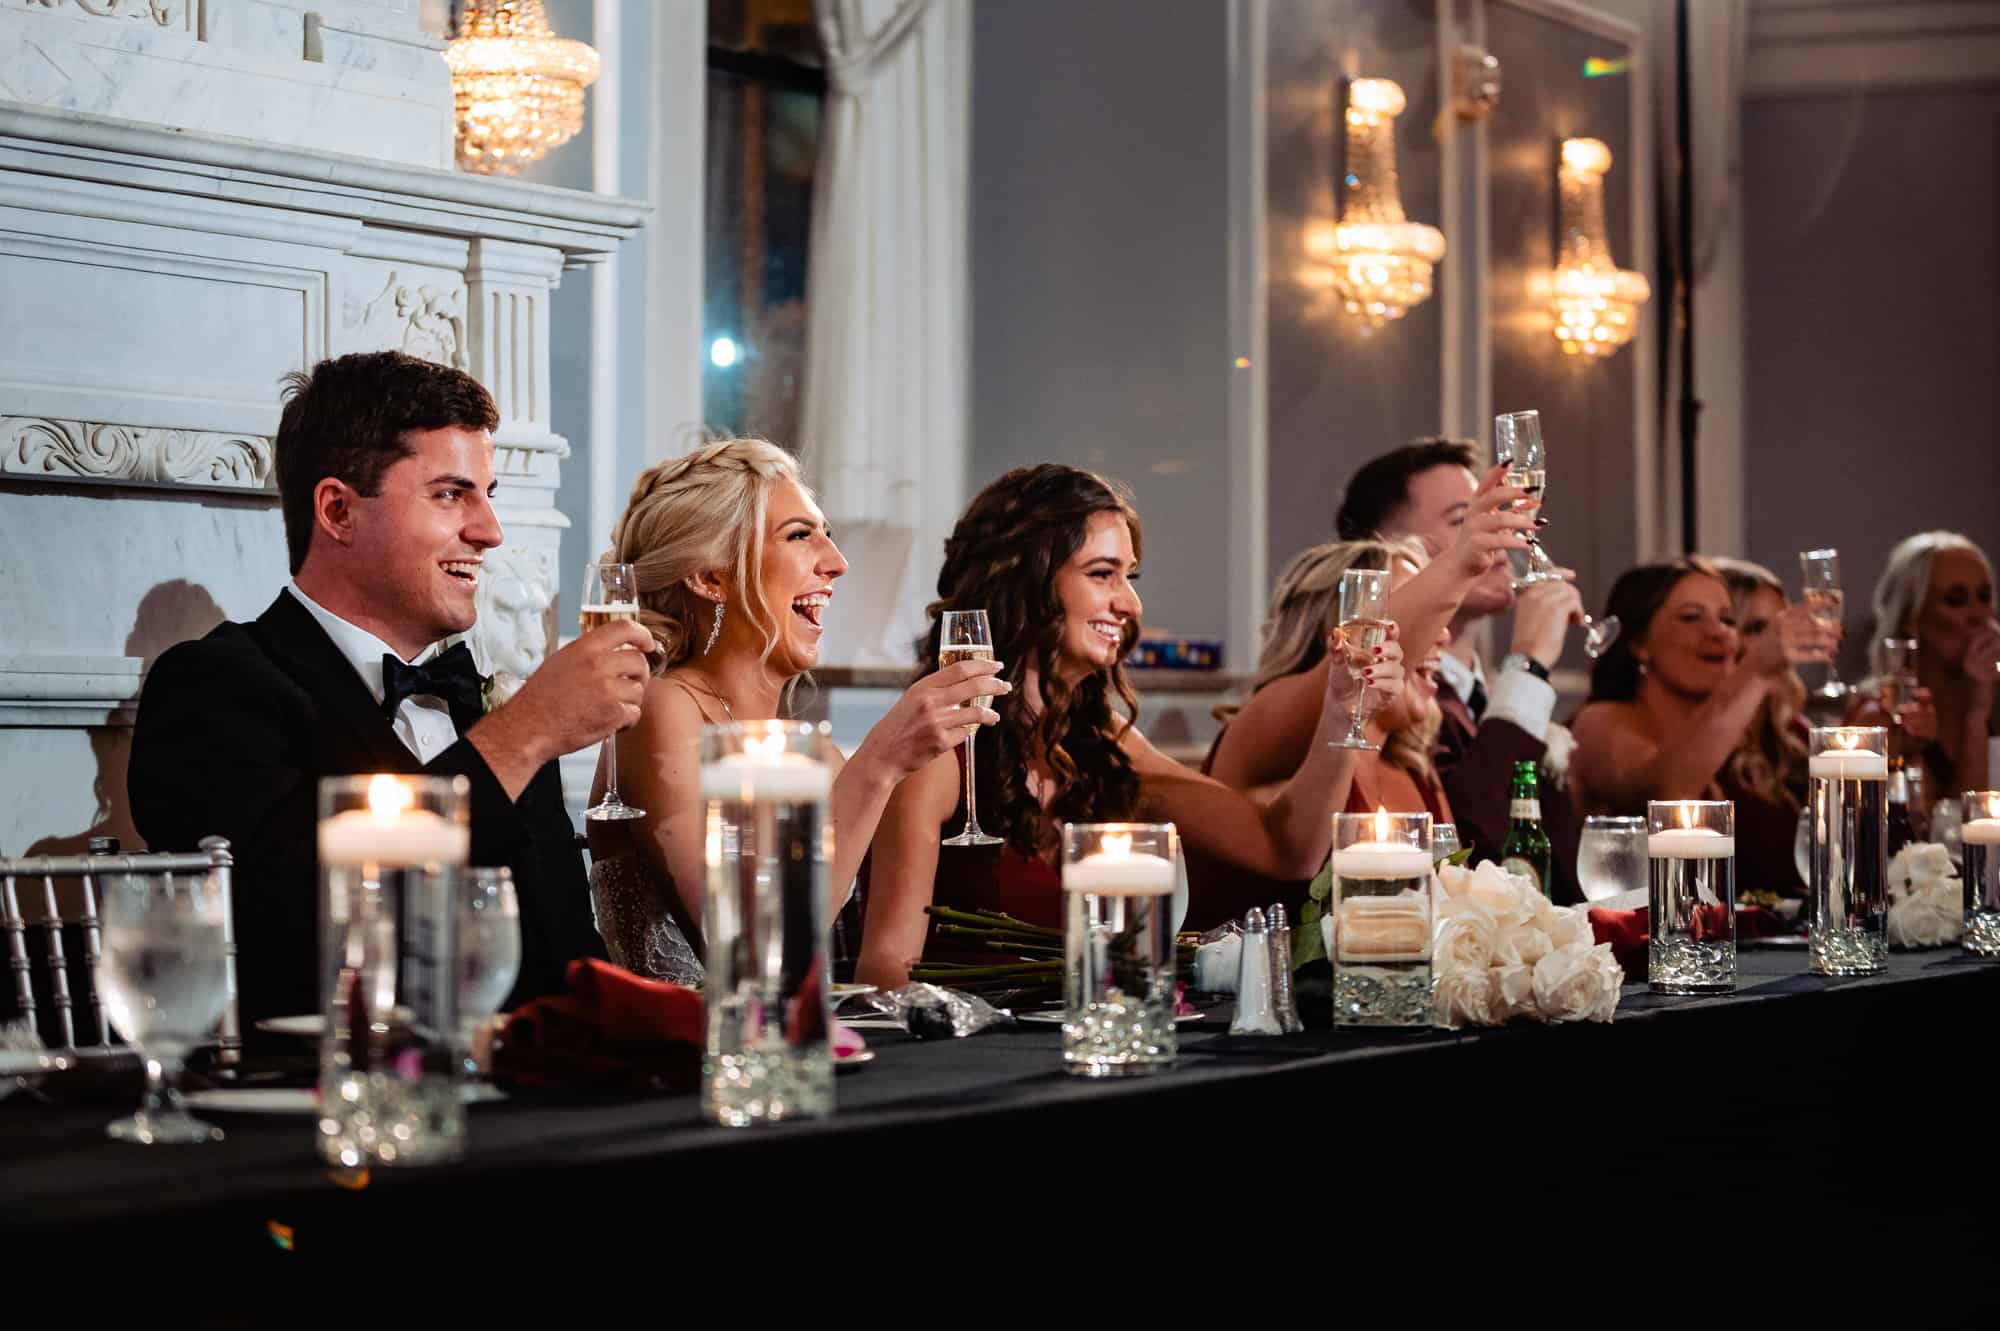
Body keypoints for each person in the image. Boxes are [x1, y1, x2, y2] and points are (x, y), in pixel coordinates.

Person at [129, 352, 641, 1027]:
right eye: (452, 493)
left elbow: (567, 961)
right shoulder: (214, 688)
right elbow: (289, 935)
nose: (490, 531)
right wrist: (528, 731)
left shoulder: (484, 706)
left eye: (489, 494)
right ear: (338, 509)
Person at [853, 464, 1406, 984]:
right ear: (1028, 582)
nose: (1132, 604)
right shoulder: (940, 751)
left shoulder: (1104, 742)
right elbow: (885, 969)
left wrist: (1341, 712)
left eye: (1130, 577)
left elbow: (1285, 848)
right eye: (1103, 575)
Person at [585, 439, 1006, 982]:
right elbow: (753, 950)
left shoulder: (812, 749)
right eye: (801, 536)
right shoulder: (662, 708)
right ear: (710, 577)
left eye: (825, 535)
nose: (837, 563)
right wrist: (881, 759)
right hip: (689, 1059)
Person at [1330, 439, 1588, 893]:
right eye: (1464, 520)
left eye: (1495, 511)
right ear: (1386, 548)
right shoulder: (1385, 698)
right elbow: (1470, 853)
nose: (1501, 531)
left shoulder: (1480, 696)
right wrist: (1527, 667)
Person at [1187, 538, 1453, 921]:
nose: (1440, 634)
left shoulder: (1417, 768)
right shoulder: (1263, 725)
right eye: (1414, 613)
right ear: (1338, 635)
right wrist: (1465, 558)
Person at [1568, 560, 1839, 877]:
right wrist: (1756, 670)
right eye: (1691, 617)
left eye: (1726, 619)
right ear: (1640, 644)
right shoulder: (1598, 723)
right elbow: (1665, 793)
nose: (1718, 632)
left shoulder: (1734, 734)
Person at [1847, 532, 1997, 811]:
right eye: (1956, 600)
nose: (1979, 615)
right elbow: (1953, 835)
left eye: (1985, 596)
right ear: (1911, 619)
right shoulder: (1884, 717)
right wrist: (1976, 716)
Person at [1710, 557, 1813, 897]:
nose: (1777, 643)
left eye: (1779, 628)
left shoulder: (1792, 733)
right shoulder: (1702, 742)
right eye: (1755, 629)